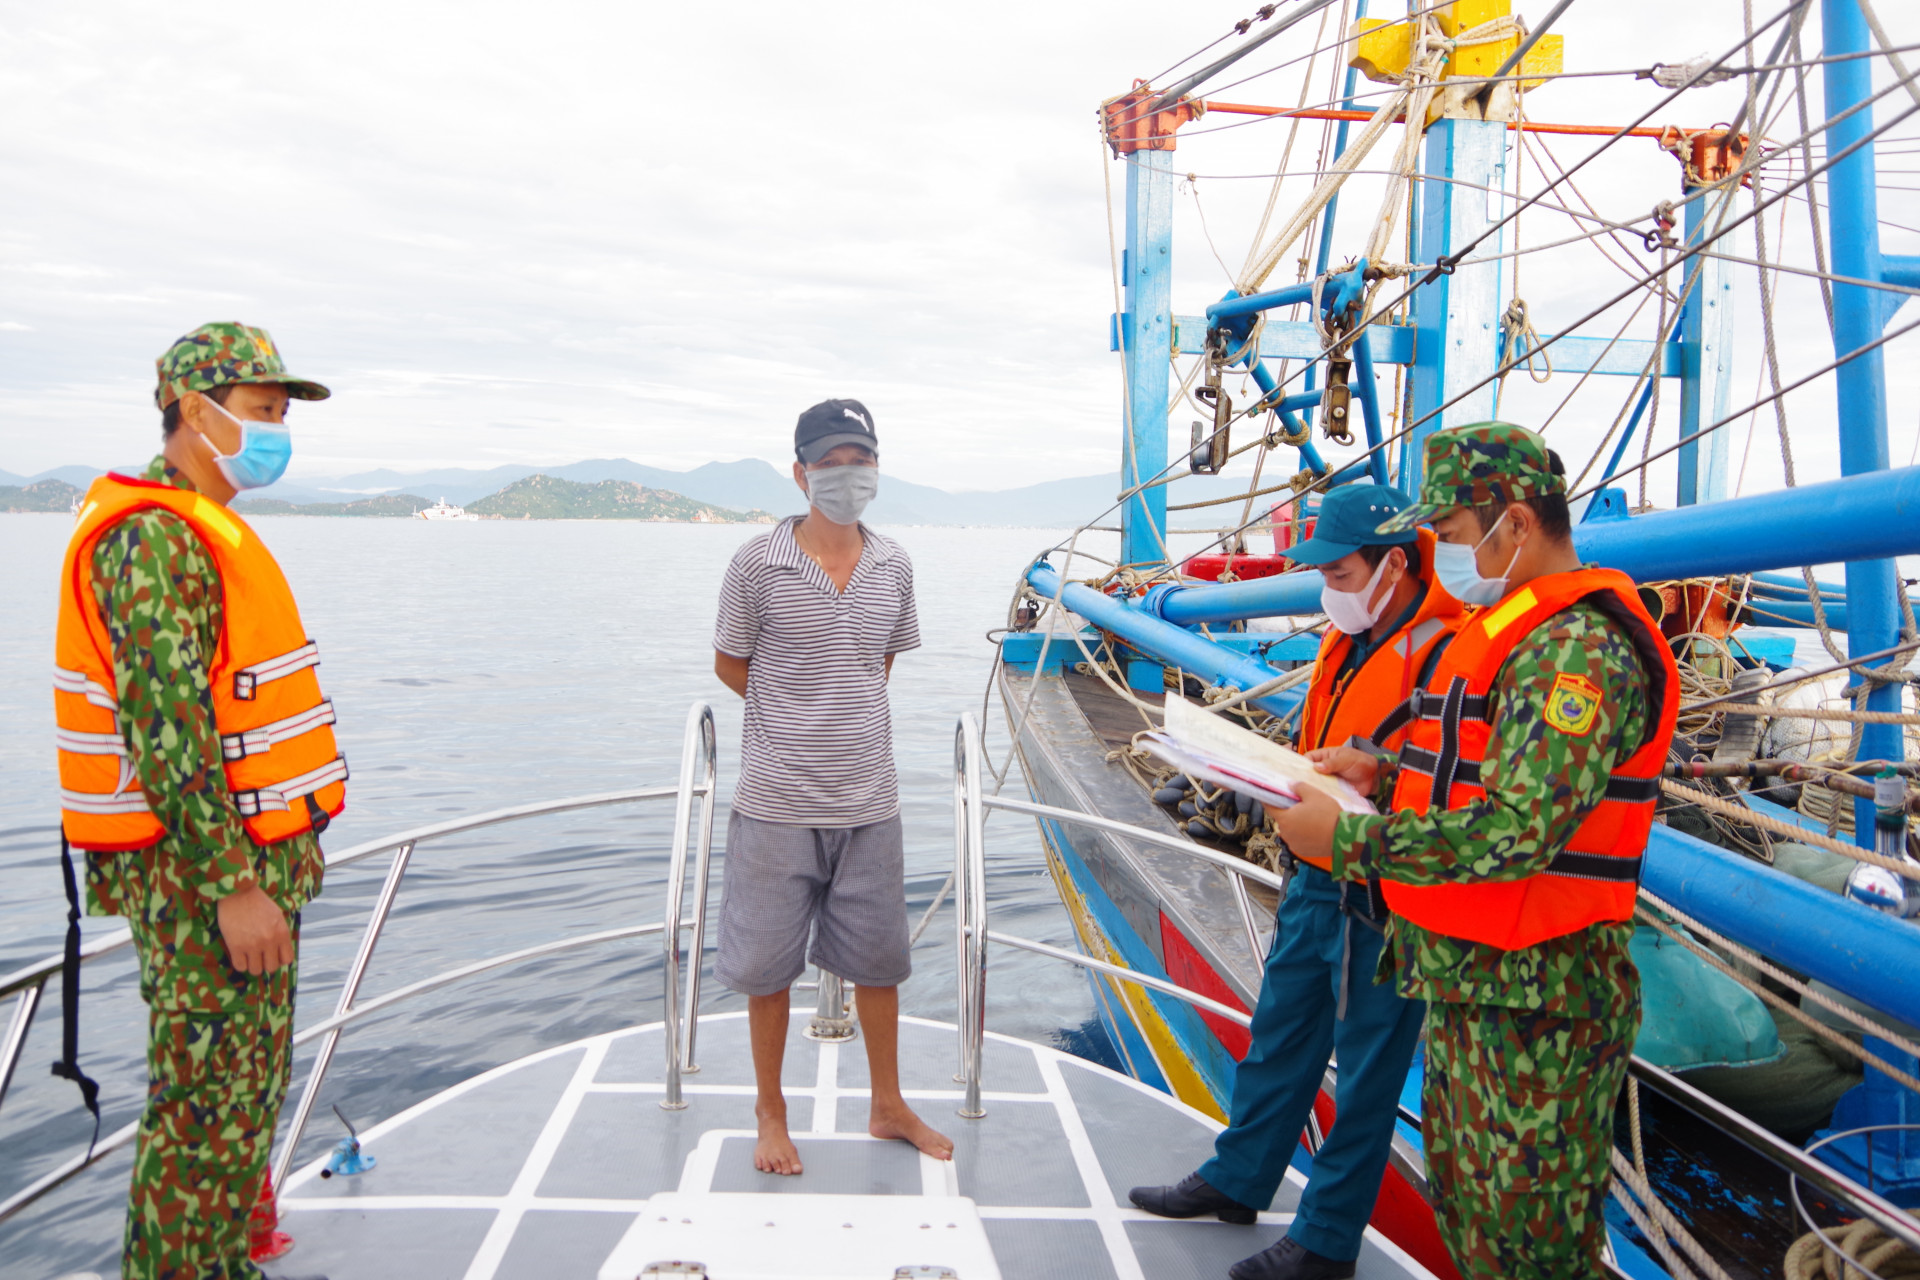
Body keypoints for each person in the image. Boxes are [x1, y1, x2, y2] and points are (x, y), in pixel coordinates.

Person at [1270, 423, 1679, 1280]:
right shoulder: (1519, 631)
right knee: (1473, 1218)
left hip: (1542, 1001)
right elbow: (1487, 763)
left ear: (1516, 523)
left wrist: (1349, 839)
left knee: (1525, 1246)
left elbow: (1520, 829)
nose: (1446, 555)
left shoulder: (1576, 651)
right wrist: (1379, 768)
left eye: (1452, 535)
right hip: (1480, 983)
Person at [52, 322, 342, 1279]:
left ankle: (228, 1262)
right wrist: (231, 888)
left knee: (241, 1102)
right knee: (205, 1115)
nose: (276, 431)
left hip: (246, 874)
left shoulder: (199, 530)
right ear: (192, 413)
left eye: (279, 414)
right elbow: (167, 733)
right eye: (261, 411)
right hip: (202, 888)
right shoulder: (146, 540)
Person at [1129, 483, 1463, 1280]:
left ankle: (1326, 1239)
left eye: (1340, 573)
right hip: (1314, 880)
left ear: (1392, 566)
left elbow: (1453, 782)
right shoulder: (1347, 642)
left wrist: (1377, 783)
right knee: (1279, 1036)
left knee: (1367, 1074)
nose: (1329, 591)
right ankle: (1238, 1176)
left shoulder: (1451, 653)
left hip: (1380, 896)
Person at [711, 397, 953, 1176]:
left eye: (860, 462)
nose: (847, 477)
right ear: (800, 473)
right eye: (831, 463)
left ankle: (887, 1104)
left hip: (870, 803)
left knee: (880, 962)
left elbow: (876, 663)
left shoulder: (895, 566)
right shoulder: (755, 564)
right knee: (767, 970)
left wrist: (835, 714)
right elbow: (730, 665)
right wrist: (796, 718)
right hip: (777, 804)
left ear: (875, 470)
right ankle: (770, 1113)